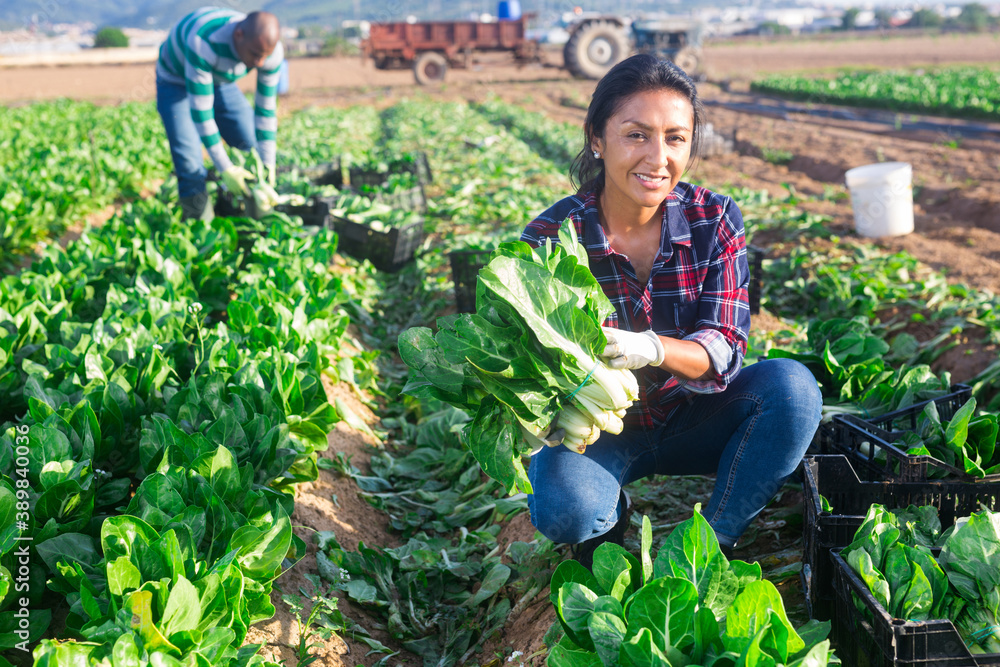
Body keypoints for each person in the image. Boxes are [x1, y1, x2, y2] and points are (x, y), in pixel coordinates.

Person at [520, 54, 821, 567]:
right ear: (597, 138)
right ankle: (606, 519)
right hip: (599, 430)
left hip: (696, 414)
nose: (658, 158)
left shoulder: (714, 218)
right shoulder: (551, 237)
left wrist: (652, 347)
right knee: (564, 510)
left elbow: (726, 349)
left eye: (675, 138)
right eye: (637, 135)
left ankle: (715, 538)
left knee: (792, 391)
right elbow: (530, 367)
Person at [155, 8, 284, 220]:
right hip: (175, 82)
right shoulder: (204, 42)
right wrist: (225, 168)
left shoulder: (270, 51)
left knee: (248, 144)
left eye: (265, 57)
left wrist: (267, 162)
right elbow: (202, 115)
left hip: (219, 80)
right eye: (254, 54)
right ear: (238, 35)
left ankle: (251, 220)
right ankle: (200, 230)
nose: (260, 63)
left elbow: (266, 110)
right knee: (190, 163)